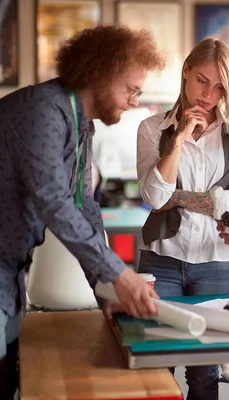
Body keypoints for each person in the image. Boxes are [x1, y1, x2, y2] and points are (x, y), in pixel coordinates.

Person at [0, 25, 165, 398]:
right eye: (132, 88)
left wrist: (108, 295)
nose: (135, 100)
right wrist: (120, 275)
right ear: (101, 73)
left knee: (9, 378)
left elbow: (83, 205)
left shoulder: (80, 124)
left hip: (10, 274)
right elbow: (53, 200)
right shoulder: (42, 109)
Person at [104, 38, 229, 400]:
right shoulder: (153, 129)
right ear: (186, 70)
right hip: (162, 260)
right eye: (203, 80)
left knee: (206, 372)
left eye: (220, 87)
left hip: (218, 263)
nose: (209, 94)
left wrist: (182, 199)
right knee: (158, 365)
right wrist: (180, 138)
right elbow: (155, 198)